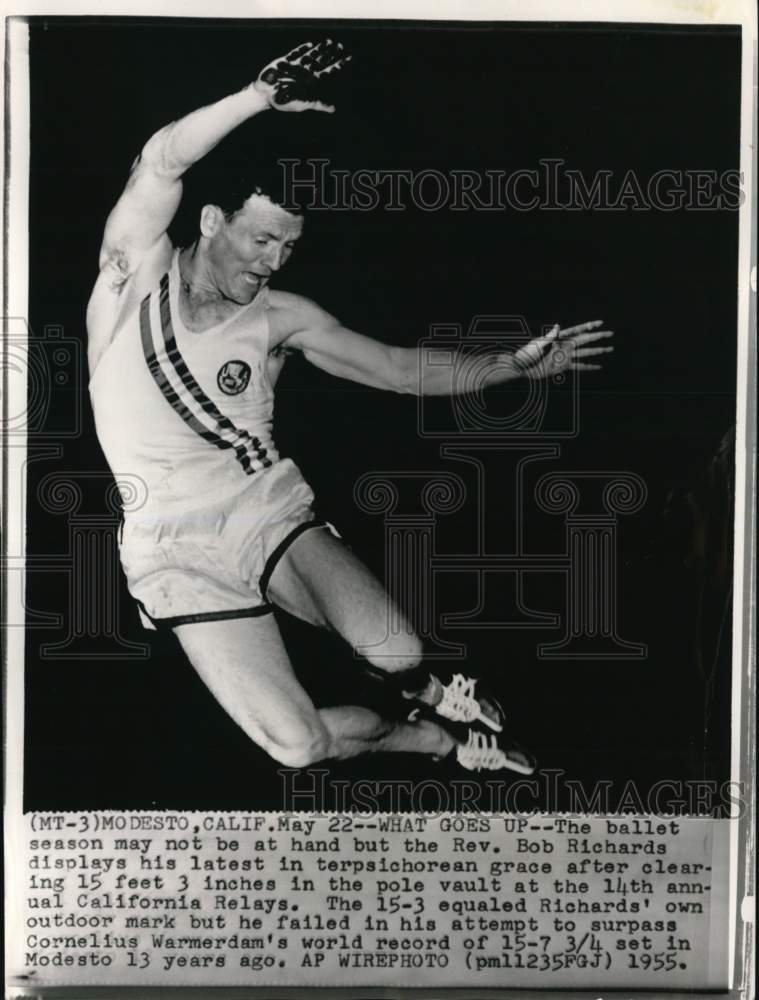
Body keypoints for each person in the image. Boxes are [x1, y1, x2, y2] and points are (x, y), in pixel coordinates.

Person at [87, 39, 613, 774]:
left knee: (396, 648)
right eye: (262, 238)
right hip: (167, 548)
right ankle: (439, 740)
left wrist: (507, 367)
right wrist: (257, 98)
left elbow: (396, 370)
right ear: (210, 221)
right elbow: (161, 162)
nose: (272, 260)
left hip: (257, 509)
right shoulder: (133, 275)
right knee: (297, 746)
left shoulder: (281, 318)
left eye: (288, 247)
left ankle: (425, 683)